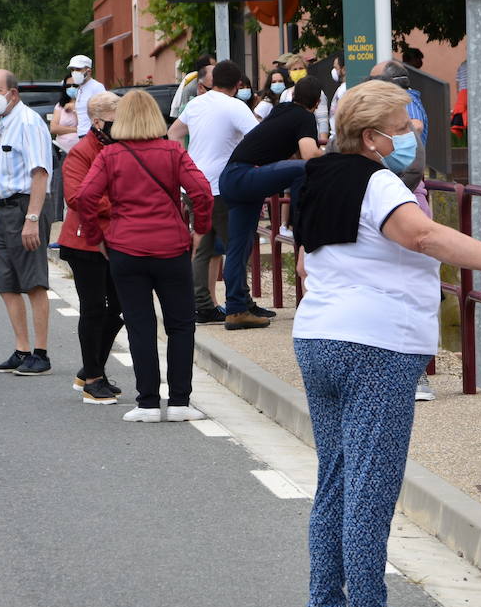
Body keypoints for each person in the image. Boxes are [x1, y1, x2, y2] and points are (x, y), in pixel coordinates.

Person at [291, 80, 481, 607]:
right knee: (372, 480)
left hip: (318, 335)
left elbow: (308, 259)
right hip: (375, 343)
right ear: (371, 137)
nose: (412, 131)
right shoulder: (380, 182)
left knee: (336, 475)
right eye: (402, 123)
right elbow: (424, 235)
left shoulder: (315, 177)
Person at [75, 90, 213, 422]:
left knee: (140, 326)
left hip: (125, 249)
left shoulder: (110, 156)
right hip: (172, 248)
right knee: (181, 325)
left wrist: (97, 238)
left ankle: (147, 403)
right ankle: (180, 402)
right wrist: (199, 230)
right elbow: (202, 192)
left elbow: (84, 198)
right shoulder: (173, 151)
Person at [169, 60, 269, 327]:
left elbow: (174, 132)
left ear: (212, 82)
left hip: (194, 183)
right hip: (223, 186)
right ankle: (241, 304)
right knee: (236, 246)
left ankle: (202, 305)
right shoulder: (236, 106)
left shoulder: (196, 104)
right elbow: (259, 137)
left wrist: (186, 162)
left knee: (204, 246)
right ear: (238, 85)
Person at [219, 76, 324, 330]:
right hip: (246, 176)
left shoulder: (281, 110)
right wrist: (333, 154)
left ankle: (237, 308)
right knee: (304, 169)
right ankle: (301, 226)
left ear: (293, 95)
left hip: (232, 177)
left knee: (239, 246)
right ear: (318, 102)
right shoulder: (305, 117)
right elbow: (309, 156)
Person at [0, 69, 55, 376]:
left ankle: (41, 352)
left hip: (26, 206)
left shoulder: (29, 123)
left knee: (34, 282)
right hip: (4, 210)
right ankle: (21, 348)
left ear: (12, 93)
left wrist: (32, 218)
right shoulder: (3, 123)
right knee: (8, 284)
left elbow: (40, 173)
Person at [58, 90, 125, 406]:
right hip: (84, 240)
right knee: (95, 307)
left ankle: (91, 368)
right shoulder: (81, 152)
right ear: (97, 122)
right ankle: (93, 379)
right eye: (114, 121)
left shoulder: (118, 147)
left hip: (115, 238)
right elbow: (76, 197)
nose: (119, 126)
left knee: (119, 307)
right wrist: (118, 205)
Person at [68, 54, 106, 138]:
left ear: (88, 71)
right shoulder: (79, 89)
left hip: (92, 135)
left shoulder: (97, 87)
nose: (74, 72)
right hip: (81, 134)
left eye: (78, 69)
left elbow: (104, 111)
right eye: (72, 70)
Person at [51, 75, 81, 154]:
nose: (71, 88)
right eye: (68, 86)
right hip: (62, 150)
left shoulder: (85, 104)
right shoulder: (60, 105)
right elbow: (54, 128)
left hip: (80, 150)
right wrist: (76, 130)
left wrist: (75, 109)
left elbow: (85, 126)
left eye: (75, 85)